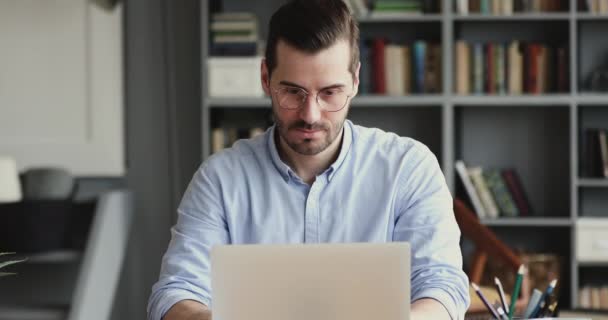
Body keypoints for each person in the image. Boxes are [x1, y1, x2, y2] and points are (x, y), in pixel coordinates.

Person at [147, 0, 470, 319]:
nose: (311, 115)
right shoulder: (220, 178)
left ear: (355, 81)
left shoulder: (408, 168)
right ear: (265, 78)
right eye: (293, 92)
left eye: (330, 92)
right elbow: (176, 291)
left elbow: (441, 285)